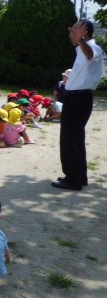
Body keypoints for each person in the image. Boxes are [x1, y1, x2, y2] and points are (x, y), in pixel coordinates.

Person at [52, 21, 104, 191]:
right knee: (76, 139)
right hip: (76, 98)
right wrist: (79, 41)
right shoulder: (81, 49)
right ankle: (79, 176)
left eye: (73, 31)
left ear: (84, 32)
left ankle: (72, 179)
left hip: (79, 99)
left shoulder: (92, 47)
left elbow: (91, 55)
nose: (70, 35)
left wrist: (80, 39)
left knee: (69, 139)